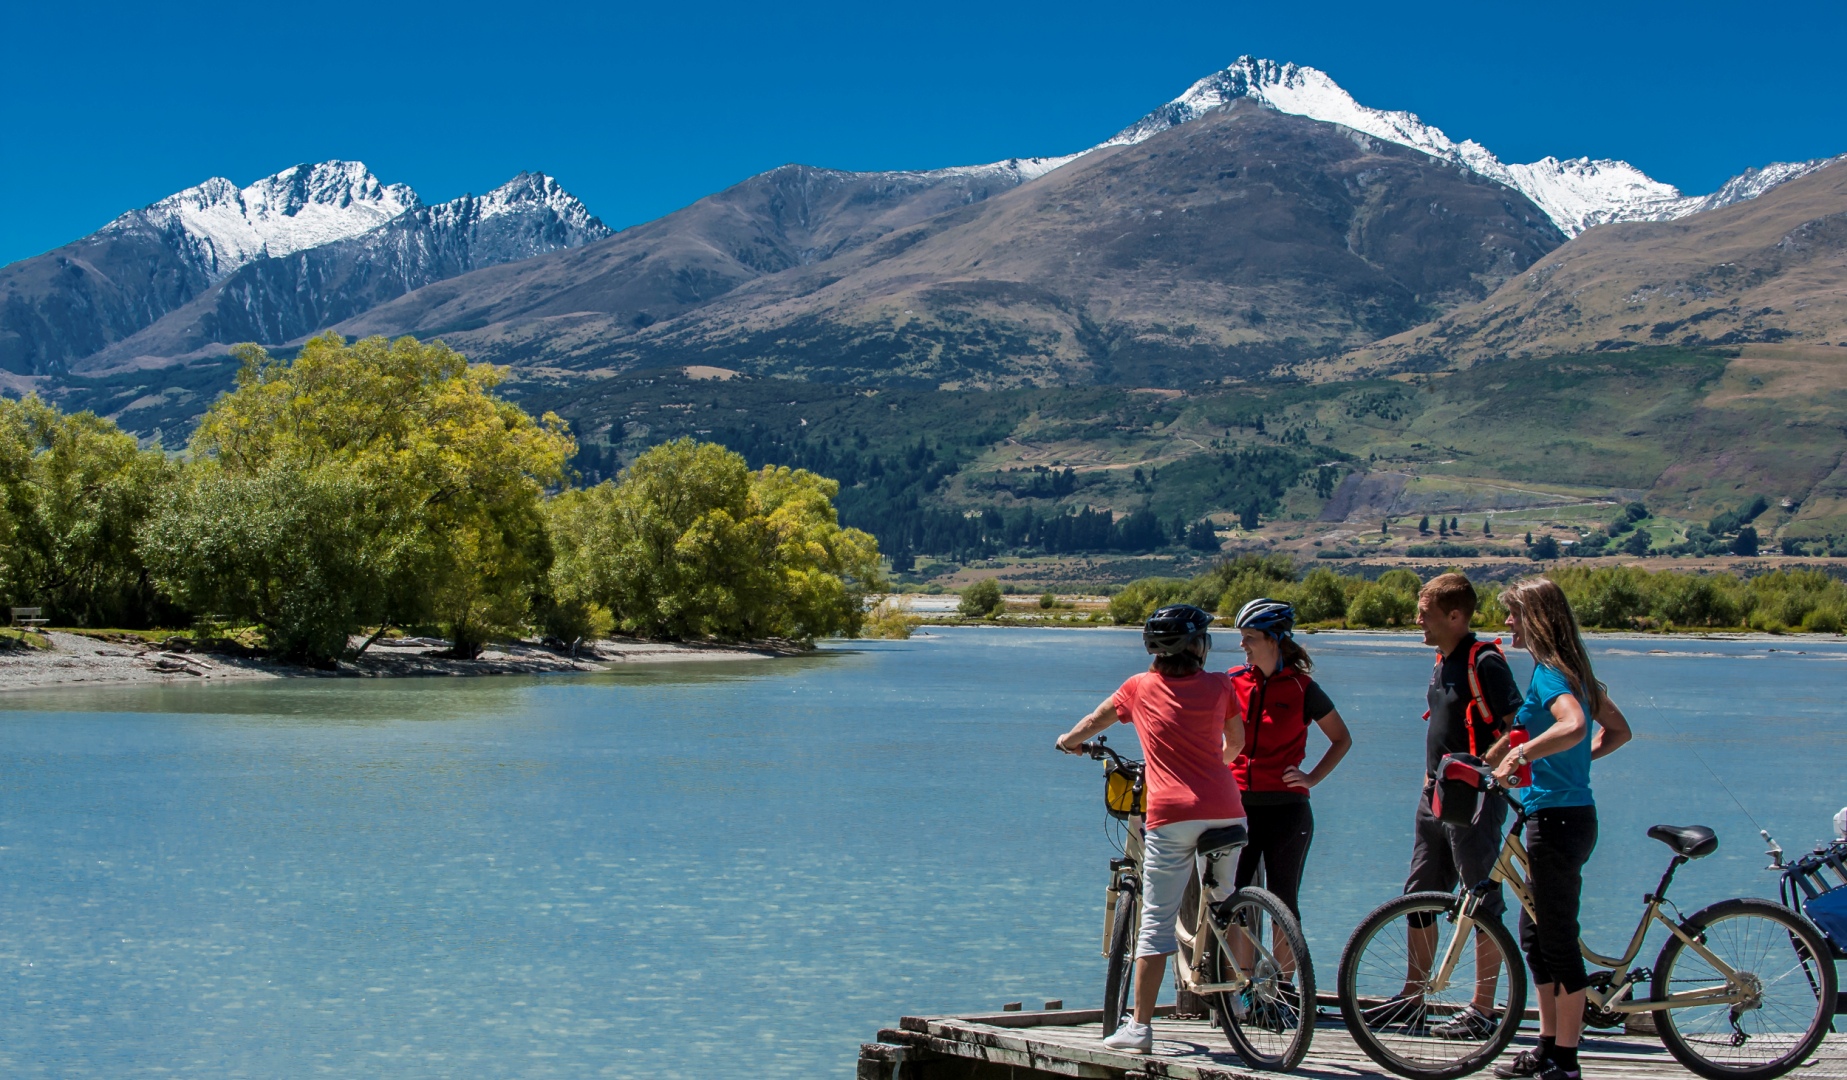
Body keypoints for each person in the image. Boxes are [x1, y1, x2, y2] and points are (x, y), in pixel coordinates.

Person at [1056, 604, 1246, 1055]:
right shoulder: (1222, 685)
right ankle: (1235, 998)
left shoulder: (1139, 688)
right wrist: (1212, 767)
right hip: (1227, 810)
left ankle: (1140, 1029)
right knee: (1226, 901)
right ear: (1199, 646)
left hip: (1172, 817)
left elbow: (1092, 723)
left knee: (1157, 924)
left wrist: (1068, 742)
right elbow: (1235, 744)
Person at [1486, 578, 1632, 1080]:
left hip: (1558, 820)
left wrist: (1524, 754)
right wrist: (1571, 764)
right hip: (1562, 814)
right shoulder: (1575, 672)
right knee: (1535, 935)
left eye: (1514, 614)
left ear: (1536, 619)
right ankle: (1547, 1047)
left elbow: (1572, 726)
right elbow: (1619, 731)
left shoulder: (1552, 675)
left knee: (1558, 940)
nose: (1507, 623)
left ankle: (1567, 1063)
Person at [1401, 572, 1525, 1040]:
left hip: (1473, 799)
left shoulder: (1485, 661)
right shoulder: (1442, 659)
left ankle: (1482, 1010)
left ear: (1456, 616)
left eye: (1426, 613)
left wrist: (1481, 771)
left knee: (1480, 901)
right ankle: (1412, 999)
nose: (1419, 620)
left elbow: (1517, 729)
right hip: (1433, 796)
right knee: (1418, 897)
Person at [1225, 598, 1352, 926]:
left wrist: (1311, 778)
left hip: (1287, 811)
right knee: (1235, 901)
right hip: (1236, 808)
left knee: (1284, 905)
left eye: (1249, 637)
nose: (1242, 644)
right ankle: (1244, 977)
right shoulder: (1231, 682)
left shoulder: (1302, 688)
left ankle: (1285, 980)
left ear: (1273, 639)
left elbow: (1342, 739)